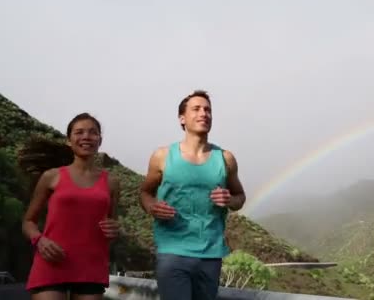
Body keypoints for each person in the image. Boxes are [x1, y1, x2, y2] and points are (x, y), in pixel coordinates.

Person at [139, 90, 246, 300]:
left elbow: (240, 197)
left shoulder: (225, 159)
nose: (203, 113)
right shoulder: (162, 156)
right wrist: (151, 207)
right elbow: (145, 192)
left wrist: (229, 200)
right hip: (173, 252)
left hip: (211, 254)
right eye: (196, 109)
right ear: (182, 118)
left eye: (208, 110)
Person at [21, 113, 121, 300]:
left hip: (91, 266)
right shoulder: (51, 176)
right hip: (51, 262)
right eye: (79, 132)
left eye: (93, 132)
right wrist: (39, 240)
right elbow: (28, 221)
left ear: (100, 140)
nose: (86, 137)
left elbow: (111, 228)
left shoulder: (112, 182)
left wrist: (114, 230)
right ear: (69, 140)